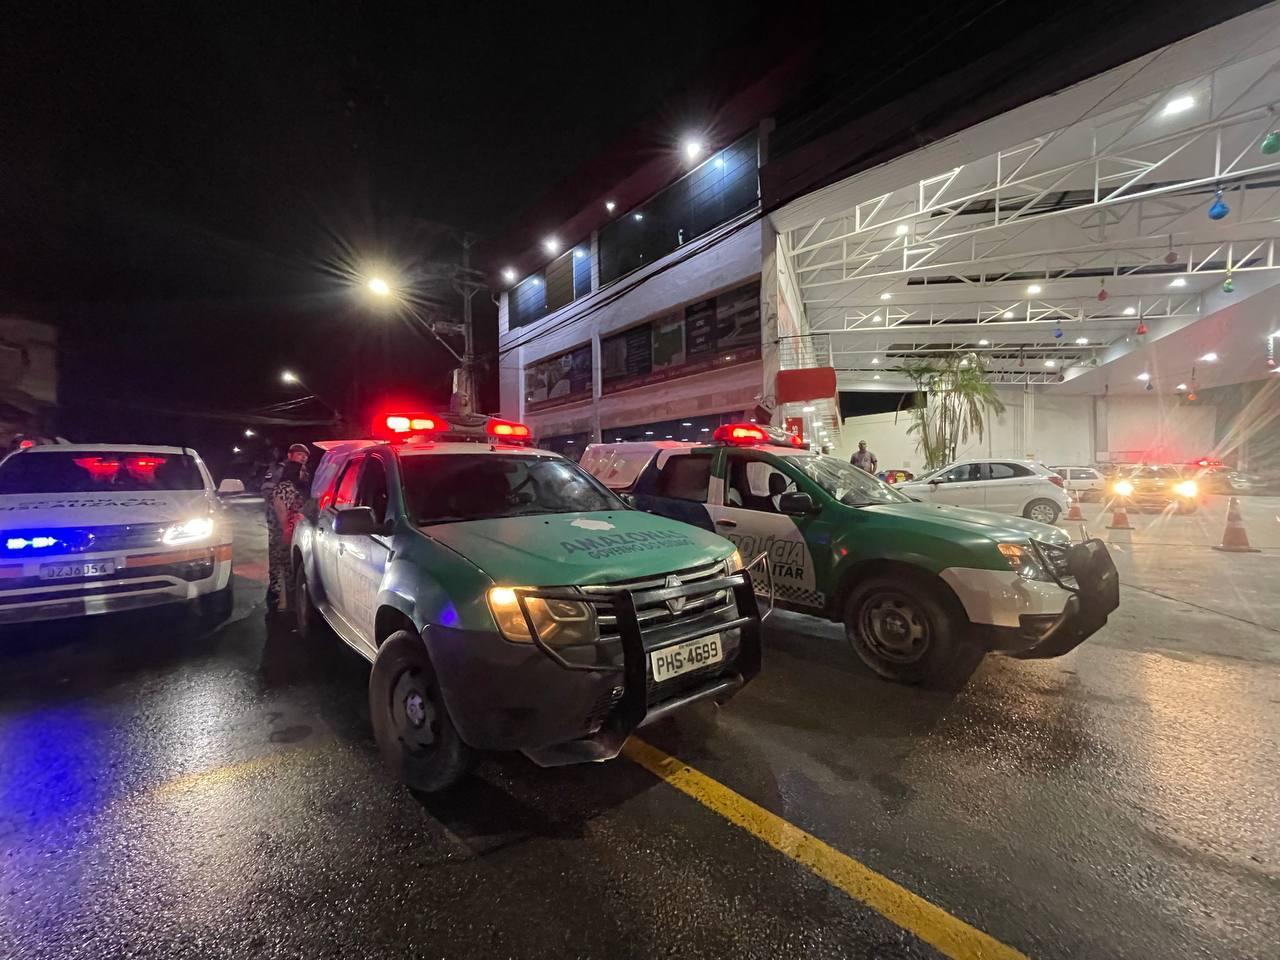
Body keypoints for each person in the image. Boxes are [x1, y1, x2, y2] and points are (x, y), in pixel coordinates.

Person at [266, 443, 309, 615]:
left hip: (296, 529)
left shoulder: (303, 476)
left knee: (290, 566)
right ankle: (279, 602)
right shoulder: (281, 480)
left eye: (305, 456)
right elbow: (277, 504)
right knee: (280, 564)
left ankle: (289, 602)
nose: (303, 458)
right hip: (282, 529)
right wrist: (285, 528)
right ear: (290, 455)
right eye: (300, 455)